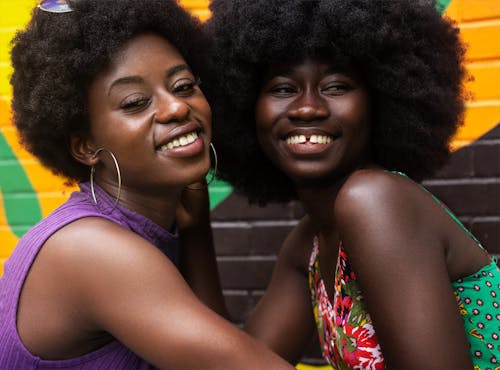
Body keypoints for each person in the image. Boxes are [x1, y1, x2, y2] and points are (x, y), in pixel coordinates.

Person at [0, 1, 295, 369]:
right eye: (136, 102)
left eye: (184, 85)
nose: (176, 107)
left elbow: (216, 346)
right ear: (86, 146)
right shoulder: (91, 249)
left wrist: (196, 234)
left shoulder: (155, 223)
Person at [205, 0, 500, 368]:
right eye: (282, 88)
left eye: (337, 86)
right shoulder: (307, 244)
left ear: (381, 102)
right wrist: (195, 225)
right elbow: (235, 362)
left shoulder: (375, 201)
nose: (307, 108)